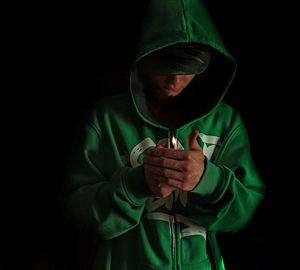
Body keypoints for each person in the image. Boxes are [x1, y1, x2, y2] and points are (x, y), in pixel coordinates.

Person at [60, 0, 265, 269]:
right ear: (144, 58)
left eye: (189, 68)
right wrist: (137, 184)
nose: (176, 80)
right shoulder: (106, 119)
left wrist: (209, 180)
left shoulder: (226, 122)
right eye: (166, 66)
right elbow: (78, 212)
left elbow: (243, 214)